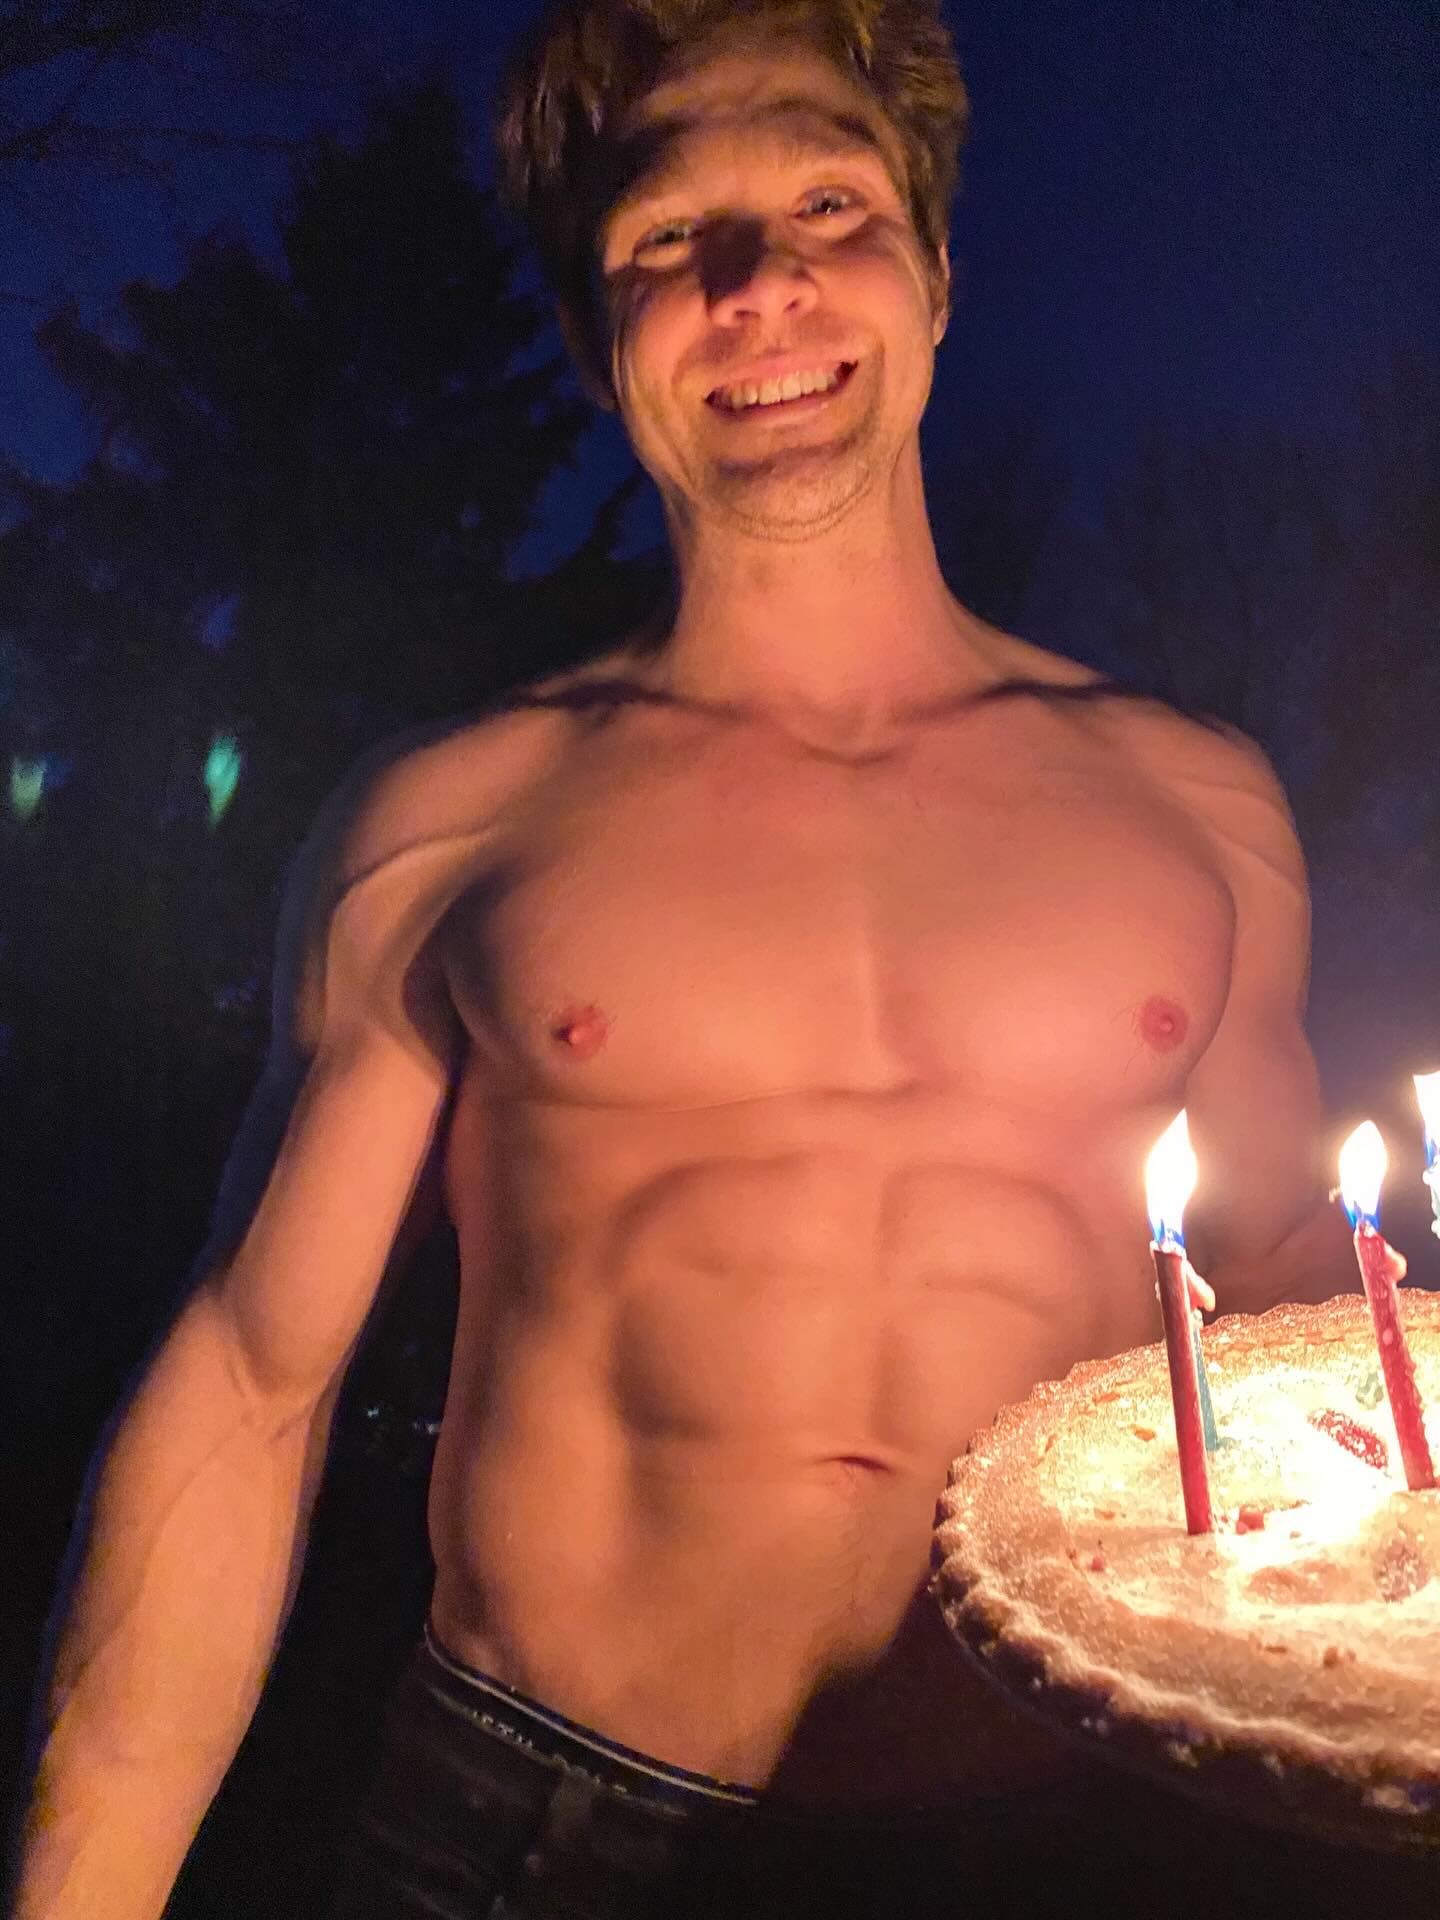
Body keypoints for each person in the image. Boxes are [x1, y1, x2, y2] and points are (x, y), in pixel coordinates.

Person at [15, 3, 1370, 1916]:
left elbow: (1306, 1300)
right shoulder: (452, 828)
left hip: (1077, 1832)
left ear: (934, 274)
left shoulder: (1196, 811)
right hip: (535, 1835)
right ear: (595, 343)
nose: (759, 285)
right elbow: (249, 1390)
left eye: (828, 202)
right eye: (668, 235)